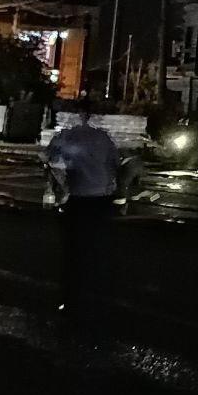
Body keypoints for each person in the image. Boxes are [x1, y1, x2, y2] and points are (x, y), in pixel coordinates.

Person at [42, 99, 120, 322]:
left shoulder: (66, 136)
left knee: (74, 249)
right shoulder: (103, 137)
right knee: (99, 248)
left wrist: (61, 181)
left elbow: (49, 158)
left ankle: (72, 296)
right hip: (103, 199)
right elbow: (115, 163)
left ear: (75, 114)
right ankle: (98, 293)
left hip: (79, 198)